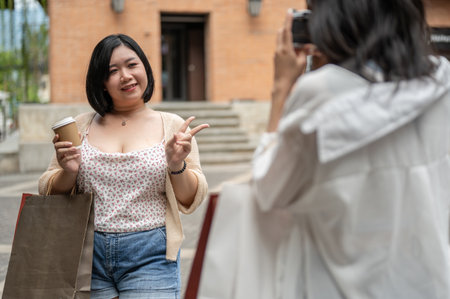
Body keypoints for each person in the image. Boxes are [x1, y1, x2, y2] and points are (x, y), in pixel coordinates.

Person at [252, 0, 450, 298]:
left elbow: (269, 190)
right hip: (429, 282)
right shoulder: (441, 81)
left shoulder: (320, 93)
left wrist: (281, 88)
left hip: (343, 286)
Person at [39, 34, 209, 299]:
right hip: (86, 254)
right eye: (112, 71)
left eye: (132, 65)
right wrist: (68, 172)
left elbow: (190, 199)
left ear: (145, 68)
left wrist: (177, 165)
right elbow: (49, 191)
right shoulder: (80, 126)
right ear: (102, 82)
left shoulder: (174, 126)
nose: (126, 76)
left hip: (152, 255)